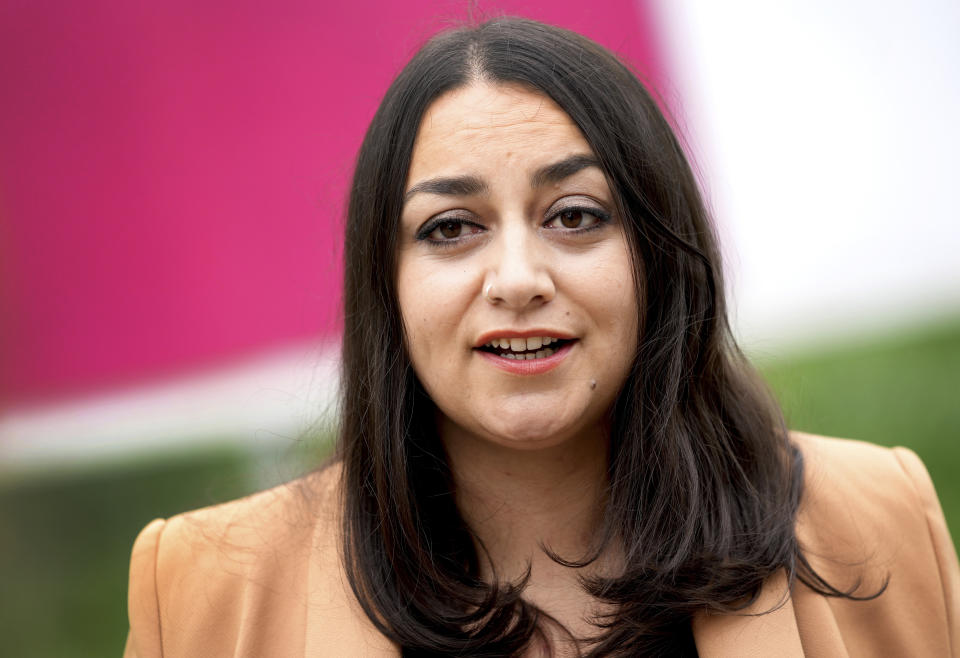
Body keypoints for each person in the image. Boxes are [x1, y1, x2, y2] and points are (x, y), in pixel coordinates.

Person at [123, 17, 959, 657]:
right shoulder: (205, 584)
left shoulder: (878, 515)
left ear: (660, 257)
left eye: (575, 216)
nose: (518, 278)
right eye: (451, 228)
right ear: (386, 285)